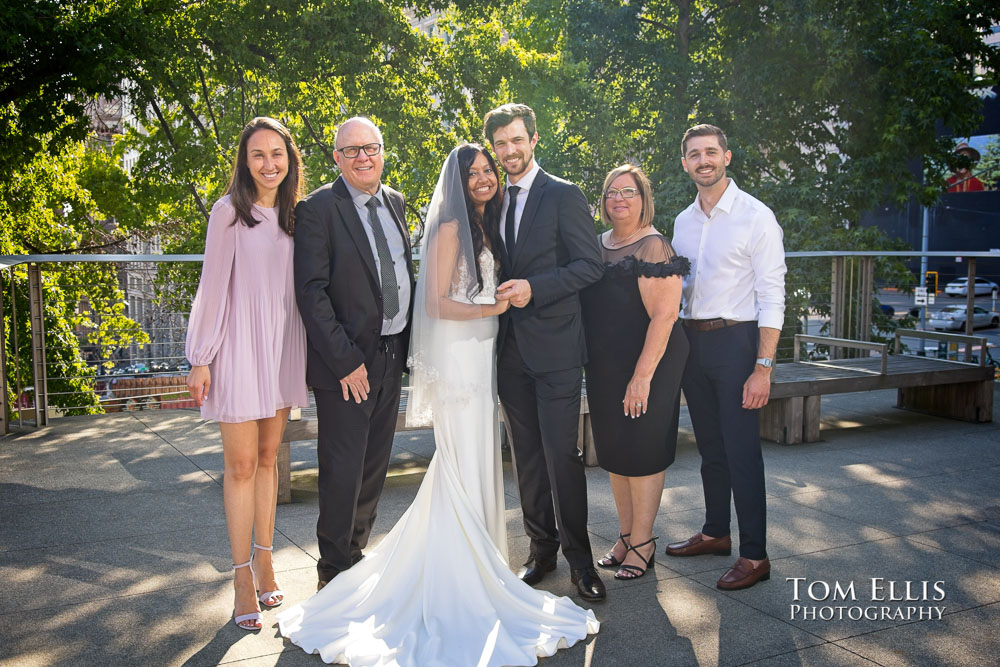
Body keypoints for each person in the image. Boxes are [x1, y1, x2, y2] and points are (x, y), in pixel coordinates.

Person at [277, 144, 599, 665]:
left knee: (475, 456)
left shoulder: (483, 224)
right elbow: (433, 304)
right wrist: (490, 309)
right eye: (472, 172)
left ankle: (480, 562)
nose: (482, 178)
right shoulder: (451, 227)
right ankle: (452, 572)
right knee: (457, 456)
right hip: (460, 356)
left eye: (487, 170)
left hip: (481, 355)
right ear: (457, 180)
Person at [185, 116, 308, 631]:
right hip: (237, 348)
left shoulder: (298, 215)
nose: (268, 164)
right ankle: (240, 578)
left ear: (290, 159)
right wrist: (200, 355)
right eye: (258, 154)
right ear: (244, 160)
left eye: (277, 153)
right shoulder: (227, 212)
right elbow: (213, 285)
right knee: (239, 467)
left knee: (267, 458)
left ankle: (265, 559)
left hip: (280, 347)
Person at [484, 103, 607, 602]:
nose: (509, 151)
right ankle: (541, 552)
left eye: (517, 140)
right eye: (500, 144)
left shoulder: (563, 194)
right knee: (527, 459)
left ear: (534, 140)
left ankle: (581, 562)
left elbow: (590, 266)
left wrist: (536, 287)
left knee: (562, 457)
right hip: (507, 351)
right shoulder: (490, 200)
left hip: (556, 350)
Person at [291, 117, 414, 590]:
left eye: (372, 147)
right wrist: (346, 362)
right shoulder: (318, 209)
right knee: (342, 471)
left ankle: (356, 555)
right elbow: (312, 292)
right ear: (336, 158)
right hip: (346, 364)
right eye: (352, 150)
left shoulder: (397, 203)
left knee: (374, 467)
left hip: (391, 354)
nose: (364, 157)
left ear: (383, 152)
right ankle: (332, 573)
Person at [666, 124, 786, 591]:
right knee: (710, 450)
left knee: (741, 453)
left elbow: (773, 297)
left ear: (727, 157)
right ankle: (716, 533)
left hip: (738, 345)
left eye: (711, 152)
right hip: (692, 345)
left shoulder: (756, 217)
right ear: (685, 164)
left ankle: (754, 556)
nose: (704, 161)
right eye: (694, 154)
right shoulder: (682, 221)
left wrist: (763, 367)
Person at [580, 164, 689, 581]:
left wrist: (641, 377)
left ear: (644, 198)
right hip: (607, 365)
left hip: (650, 362)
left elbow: (664, 317)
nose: (619, 199)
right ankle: (626, 536)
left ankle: (643, 541)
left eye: (628, 191)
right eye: (611, 192)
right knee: (616, 452)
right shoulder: (598, 244)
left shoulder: (653, 246)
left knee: (642, 450)